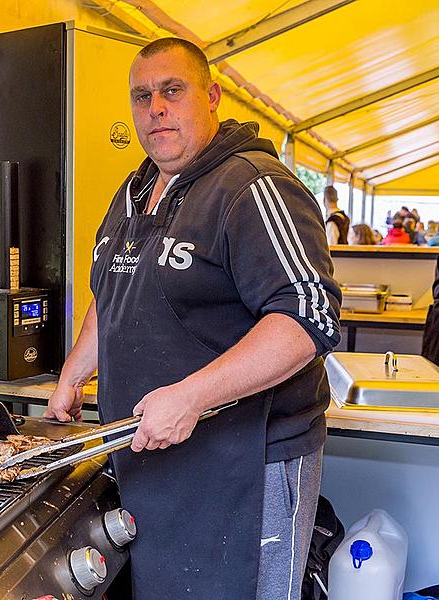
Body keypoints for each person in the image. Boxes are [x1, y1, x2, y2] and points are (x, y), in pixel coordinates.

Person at [44, 37, 341, 600]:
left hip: (245, 465)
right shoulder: (134, 192)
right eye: (141, 96)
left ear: (212, 96)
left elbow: (309, 318)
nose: (155, 108)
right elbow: (114, 290)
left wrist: (192, 396)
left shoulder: (253, 186)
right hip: (151, 460)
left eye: (171, 90)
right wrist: (74, 372)